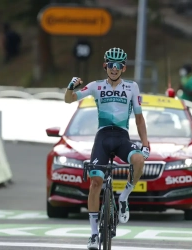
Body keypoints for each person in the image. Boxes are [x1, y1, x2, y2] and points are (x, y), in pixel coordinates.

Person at [64, 47, 150, 249]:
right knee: (95, 182)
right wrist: (70, 87)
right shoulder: (96, 86)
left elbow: (139, 118)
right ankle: (94, 234)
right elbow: (68, 99)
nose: (114, 68)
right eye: (110, 64)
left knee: (139, 160)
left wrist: (145, 144)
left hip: (122, 137)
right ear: (105, 66)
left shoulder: (132, 88)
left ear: (123, 68)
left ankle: (124, 198)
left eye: (118, 65)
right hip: (102, 137)